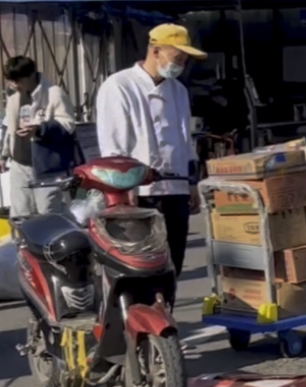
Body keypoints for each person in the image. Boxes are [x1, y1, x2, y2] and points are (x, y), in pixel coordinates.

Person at [96, 24, 204, 277]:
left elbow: (183, 138)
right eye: (177, 58)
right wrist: (125, 188)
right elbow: (114, 144)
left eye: (185, 60)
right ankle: (139, 314)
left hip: (175, 187)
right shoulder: (120, 86)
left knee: (172, 262)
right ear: (156, 51)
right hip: (139, 192)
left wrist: (191, 181)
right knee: (141, 265)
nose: (181, 65)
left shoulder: (178, 90)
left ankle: (166, 311)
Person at [2, 57, 79, 223]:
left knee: (48, 210)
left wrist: (39, 129)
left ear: (30, 75)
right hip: (19, 164)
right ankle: (24, 247)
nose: (15, 85)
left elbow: (68, 125)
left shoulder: (54, 93)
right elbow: (10, 128)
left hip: (46, 165)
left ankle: (65, 238)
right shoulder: (14, 97)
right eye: (11, 81)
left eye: (18, 81)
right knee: (21, 213)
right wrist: (4, 154)